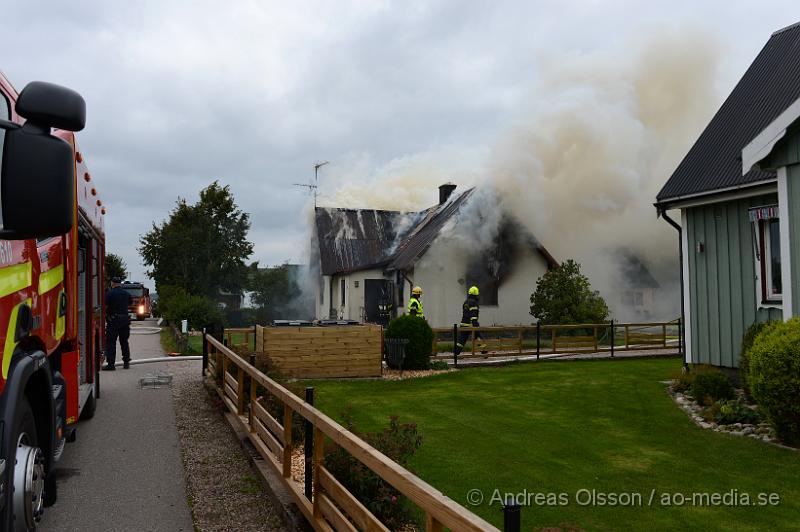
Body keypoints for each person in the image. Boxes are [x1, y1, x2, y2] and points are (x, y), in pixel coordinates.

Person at [105, 277, 132, 370]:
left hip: (113, 321)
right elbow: (130, 302)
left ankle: (111, 365)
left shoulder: (110, 294)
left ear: (112, 283)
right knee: (124, 342)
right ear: (120, 284)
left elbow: (105, 304)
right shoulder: (126, 294)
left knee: (111, 343)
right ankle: (126, 363)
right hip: (124, 320)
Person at [454, 285, 486, 356]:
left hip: (463, 324)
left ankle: (455, 353)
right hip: (471, 324)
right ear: (476, 294)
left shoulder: (466, 302)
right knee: (479, 337)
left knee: (461, 341)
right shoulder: (473, 303)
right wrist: (475, 324)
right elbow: (474, 314)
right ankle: (484, 351)